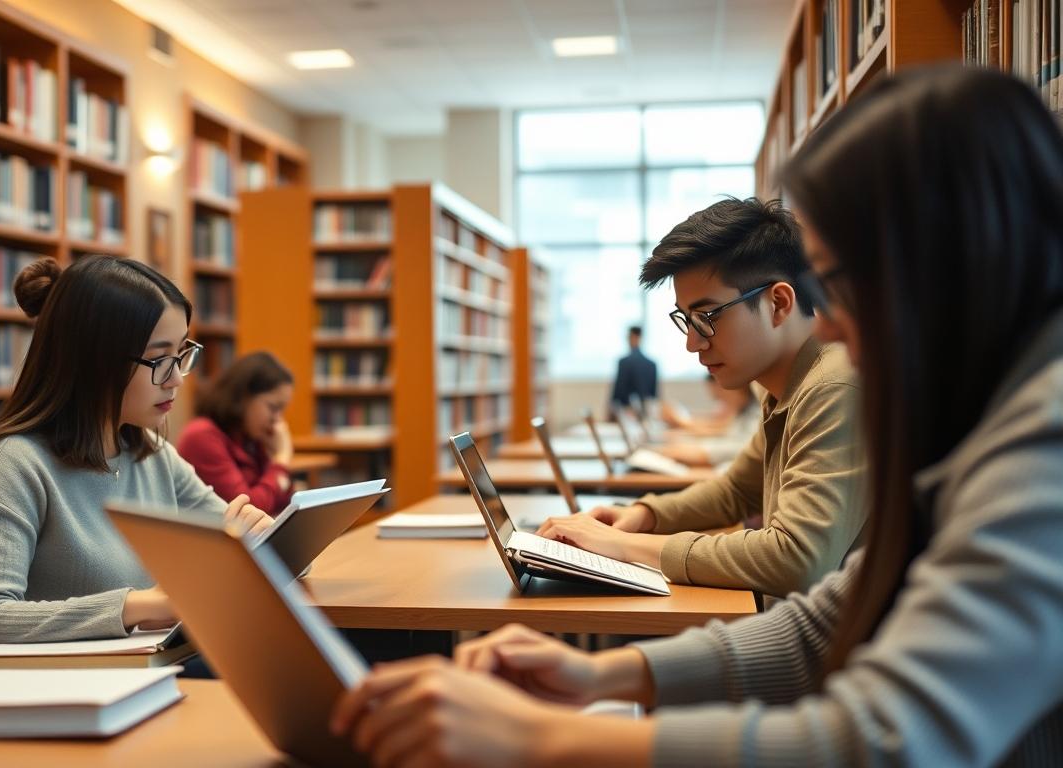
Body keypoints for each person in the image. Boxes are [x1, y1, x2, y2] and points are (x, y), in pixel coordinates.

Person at [331, 65, 1063, 767]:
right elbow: (836, 612)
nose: (832, 324)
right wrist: (602, 674)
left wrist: (540, 739)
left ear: (943, 260)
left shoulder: (1041, 448)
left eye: (841, 284)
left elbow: (882, 741)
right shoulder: (978, 419)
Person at [0, 256, 271, 667]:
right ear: (95, 362)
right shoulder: (9, 465)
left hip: (134, 675)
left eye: (181, 354)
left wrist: (260, 542)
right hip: (37, 691)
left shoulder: (150, 453)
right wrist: (139, 606)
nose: (176, 378)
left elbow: (227, 539)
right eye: (159, 360)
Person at [543, 196, 865, 599]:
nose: (692, 344)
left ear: (779, 303)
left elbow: (798, 559)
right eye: (687, 320)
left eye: (708, 317)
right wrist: (643, 515)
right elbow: (736, 490)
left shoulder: (832, 386)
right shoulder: (787, 385)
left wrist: (622, 545)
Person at [177, 352, 296, 515]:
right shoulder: (200, 436)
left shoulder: (250, 437)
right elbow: (248, 512)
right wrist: (281, 461)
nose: (278, 420)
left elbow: (285, 502)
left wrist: (273, 461)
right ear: (243, 397)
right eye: (273, 408)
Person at [656, 374, 757, 468]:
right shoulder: (744, 409)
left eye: (721, 396)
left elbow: (741, 445)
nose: (720, 401)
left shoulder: (757, 410)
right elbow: (725, 432)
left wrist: (700, 452)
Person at [606, 326, 657, 421]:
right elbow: (654, 395)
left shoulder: (624, 362)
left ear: (633, 337)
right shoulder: (652, 364)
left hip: (626, 412)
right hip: (646, 413)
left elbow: (618, 391)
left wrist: (610, 411)